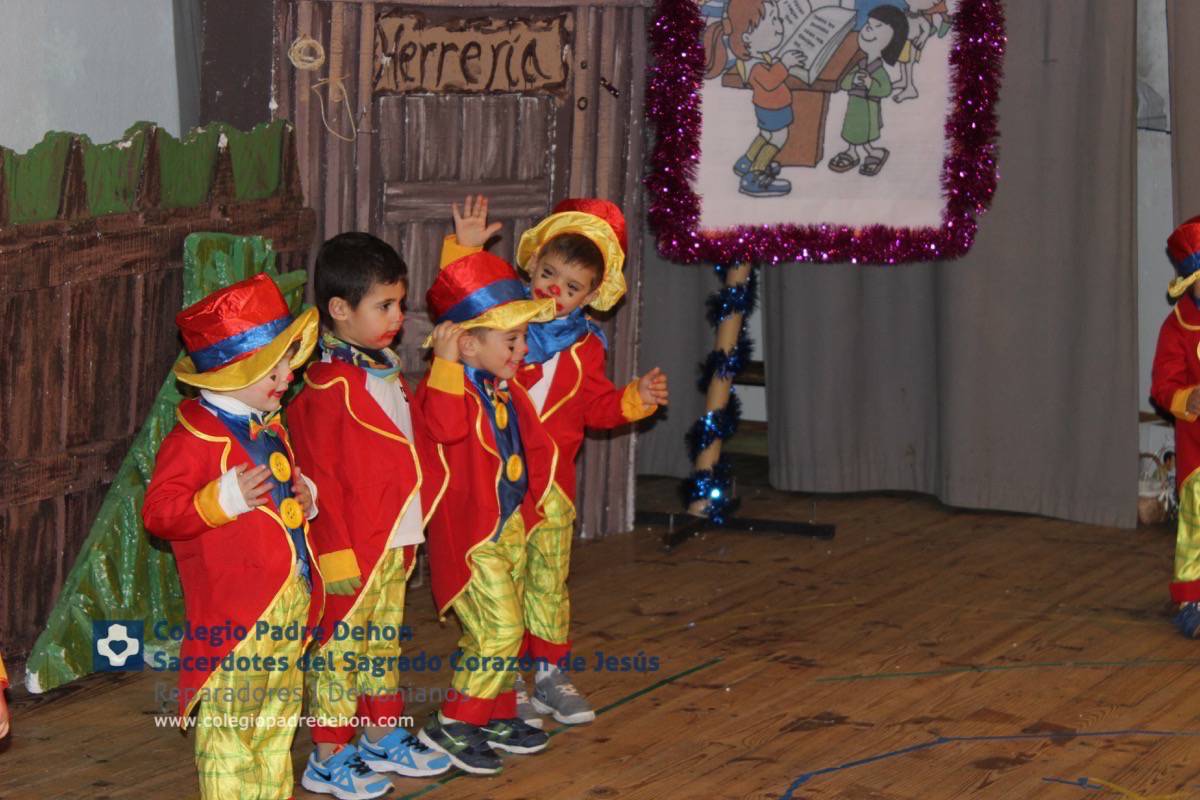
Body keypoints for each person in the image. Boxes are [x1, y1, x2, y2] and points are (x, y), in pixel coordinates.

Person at [142, 273, 322, 800]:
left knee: (276, 722)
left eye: (289, 362)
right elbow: (159, 514)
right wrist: (221, 499)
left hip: (288, 603)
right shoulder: (192, 440)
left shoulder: (269, 424)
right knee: (230, 731)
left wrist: (306, 494)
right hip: (238, 617)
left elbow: (283, 492)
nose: (289, 375)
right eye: (274, 367)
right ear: (229, 371)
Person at [288, 233, 451, 799]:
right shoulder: (325, 387)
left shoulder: (385, 372)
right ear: (339, 308)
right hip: (351, 549)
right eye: (384, 305)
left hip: (393, 542)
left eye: (399, 304)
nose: (398, 317)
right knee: (338, 653)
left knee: (382, 646)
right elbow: (315, 479)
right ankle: (329, 753)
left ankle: (381, 733)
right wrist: (332, 553)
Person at [413, 250, 558, 776]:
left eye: (522, 338)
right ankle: (454, 721)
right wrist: (446, 363)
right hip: (472, 536)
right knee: (499, 629)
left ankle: (495, 714)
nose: (523, 349)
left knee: (502, 629)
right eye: (512, 340)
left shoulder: (502, 388)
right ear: (468, 345)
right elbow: (445, 428)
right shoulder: (446, 388)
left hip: (508, 524)